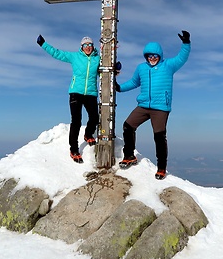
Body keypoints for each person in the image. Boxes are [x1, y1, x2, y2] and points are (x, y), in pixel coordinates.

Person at [116, 30, 191, 179]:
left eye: (155, 55)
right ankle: (129, 155)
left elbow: (182, 58)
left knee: (159, 136)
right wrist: (119, 88)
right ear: (146, 56)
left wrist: (186, 43)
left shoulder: (168, 65)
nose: (152, 58)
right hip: (143, 105)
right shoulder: (141, 68)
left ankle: (161, 168)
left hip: (160, 107)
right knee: (128, 126)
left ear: (160, 56)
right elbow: (134, 82)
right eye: (149, 55)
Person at [37, 34, 100, 163]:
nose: (88, 47)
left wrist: (116, 68)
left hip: (91, 93)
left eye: (90, 45)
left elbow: (105, 70)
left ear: (93, 47)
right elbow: (57, 53)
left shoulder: (97, 59)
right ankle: (74, 149)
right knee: (76, 121)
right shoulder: (74, 56)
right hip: (76, 92)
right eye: (85, 45)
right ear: (81, 47)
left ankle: (88, 134)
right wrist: (43, 44)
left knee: (94, 117)